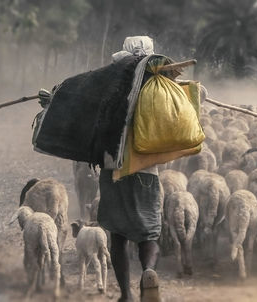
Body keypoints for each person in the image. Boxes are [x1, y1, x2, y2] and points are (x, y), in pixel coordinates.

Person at [97, 36, 162, 302]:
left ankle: (126, 295)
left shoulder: (108, 85)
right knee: (149, 232)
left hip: (113, 168)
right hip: (147, 170)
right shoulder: (161, 85)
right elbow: (195, 99)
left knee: (118, 233)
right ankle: (148, 271)